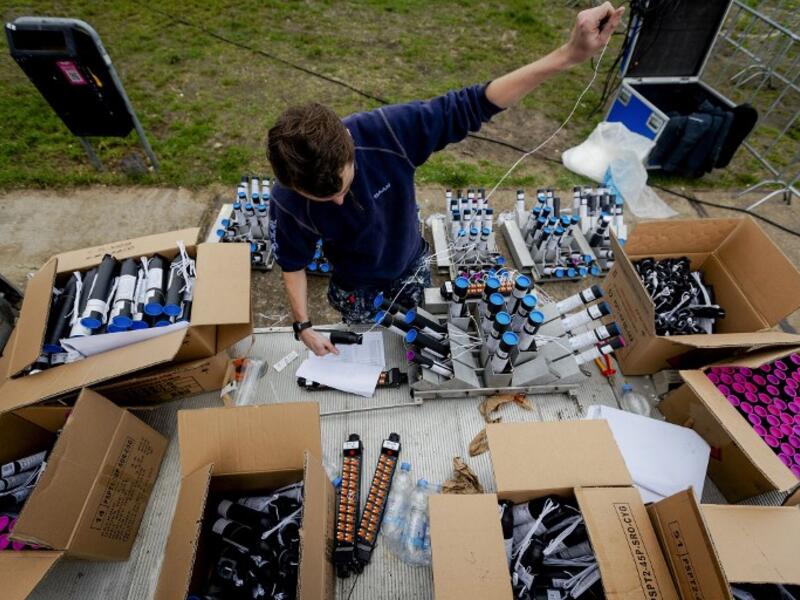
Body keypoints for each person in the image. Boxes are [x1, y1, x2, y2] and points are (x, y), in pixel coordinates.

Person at [267, 2, 624, 356]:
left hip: (411, 265)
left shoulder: (386, 134)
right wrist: (303, 326)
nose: (340, 203)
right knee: (369, 346)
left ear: (349, 144)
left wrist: (567, 55)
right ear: (292, 186)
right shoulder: (286, 200)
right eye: (324, 200)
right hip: (355, 286)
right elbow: (293, 262)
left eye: (344, 188)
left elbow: (472, 104)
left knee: (420, 336)